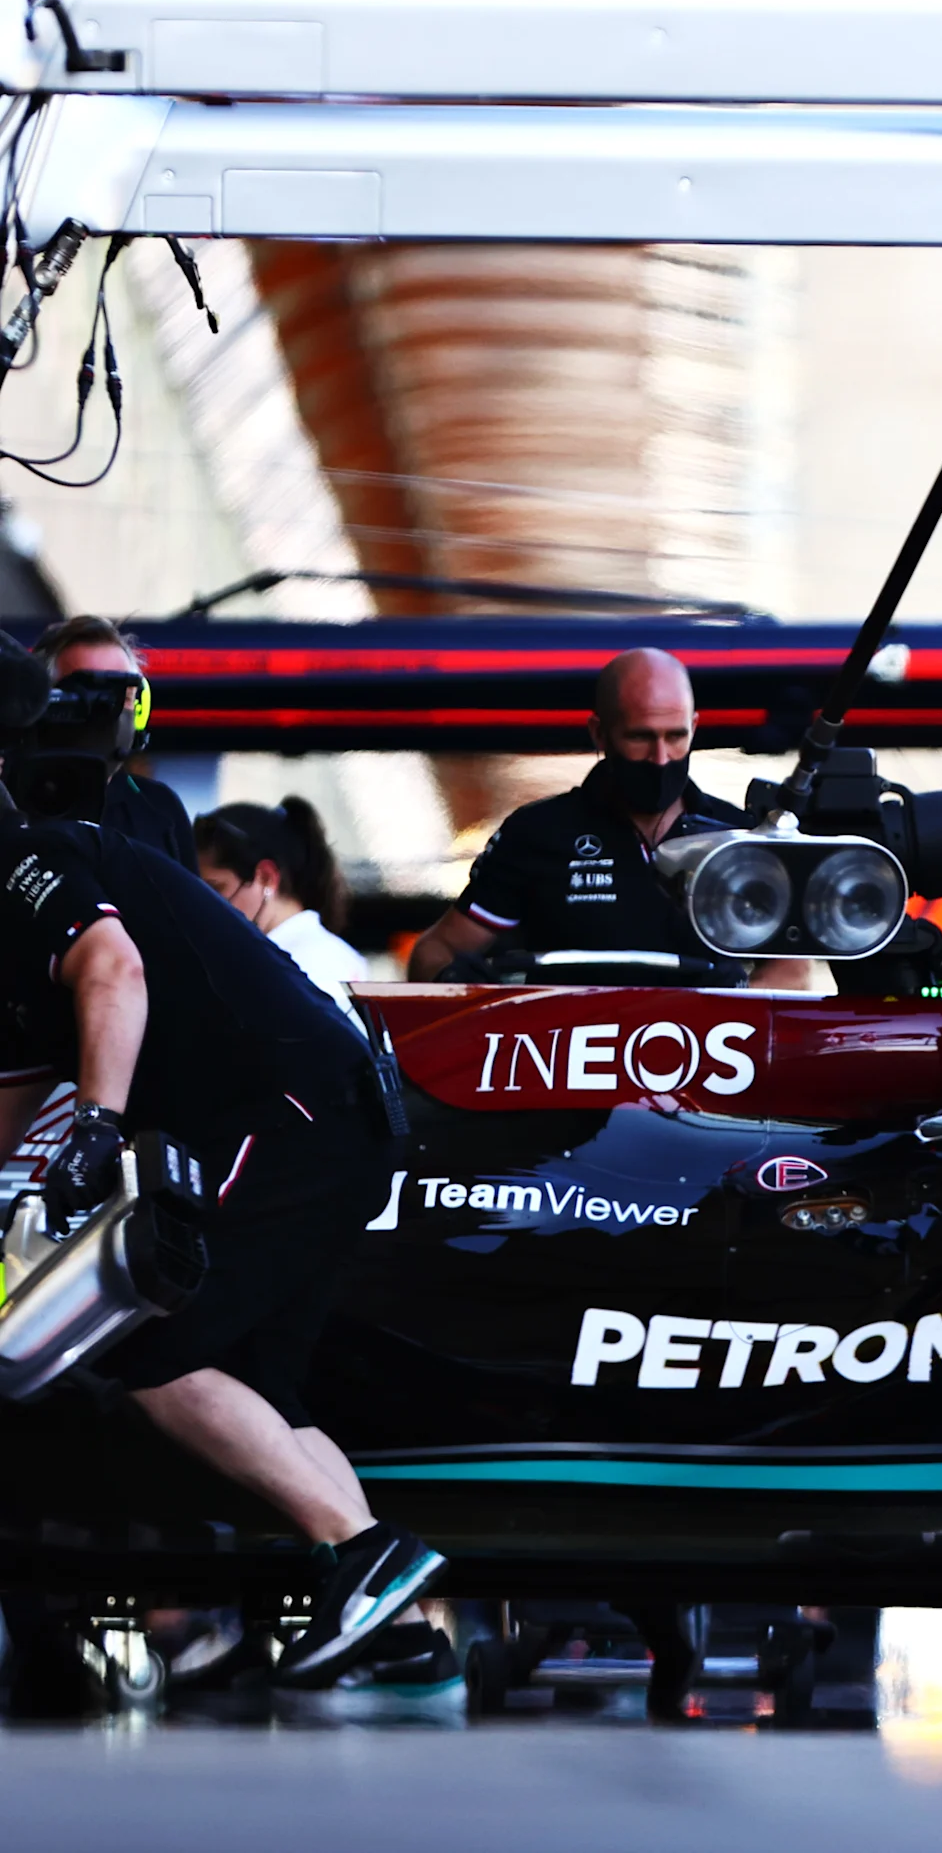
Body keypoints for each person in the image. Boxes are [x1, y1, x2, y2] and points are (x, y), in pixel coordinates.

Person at [0, 703, 437, 1690]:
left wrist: (97, 1133)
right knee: (263, 1387)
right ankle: (390, 1612)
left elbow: (114, 972)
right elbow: (20, 1085)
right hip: (328, 1116)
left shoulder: (25, 862)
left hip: (284, 1116)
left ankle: (366, 1560)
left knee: (154, 1351)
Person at [404, 648, 812, 988]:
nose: (660, 757)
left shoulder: (739, 837)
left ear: (694, 727)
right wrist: (469, 991)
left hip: (706, 1070)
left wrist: (737, 1013)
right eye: (640, 737)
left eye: (675, 736)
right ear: (599, 734)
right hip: (567, 1066)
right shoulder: (539, 833)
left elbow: (791, 969)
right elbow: (435, 952)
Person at [27, 614, 194, 864]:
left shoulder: (160, 810)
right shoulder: (12, 801)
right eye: (91, 697)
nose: (110, 713)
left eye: (122, 697)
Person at [193, 797, 362, 1002]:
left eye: (214, 889)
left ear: (265, 877)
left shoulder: (303, 968)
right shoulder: (333, 956)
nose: (202, 904)